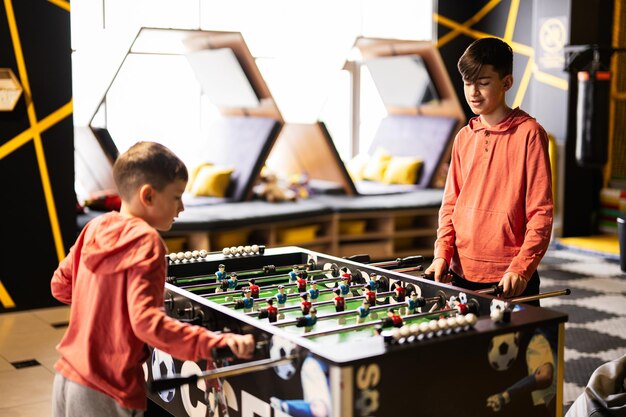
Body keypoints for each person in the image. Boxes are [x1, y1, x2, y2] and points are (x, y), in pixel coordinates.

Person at [50, 142, 255, 417]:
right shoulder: (147, 242)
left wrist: (104, 305)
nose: (182, 208)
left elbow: (60, 286)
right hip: (107, 388)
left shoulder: (95, 226)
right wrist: (214, 344)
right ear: (148, 195)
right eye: (176, 196)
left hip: (67, 377)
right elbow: (147, 324)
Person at [425, 37, 553, 302]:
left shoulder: (530, 134)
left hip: (509, 276)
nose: (473, 92)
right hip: (460, 270)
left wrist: (522, 267)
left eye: (483, 83)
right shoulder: (463, 137)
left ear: (506, 83)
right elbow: (450, 205)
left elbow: (541, 212)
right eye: (468, 83)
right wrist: (442, 254)